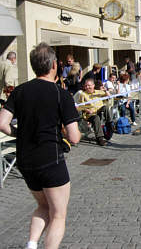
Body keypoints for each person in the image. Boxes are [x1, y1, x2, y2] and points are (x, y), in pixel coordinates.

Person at [0, 42, 81, 249]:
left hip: (26, 161)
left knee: (43, 205)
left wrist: (21, 134)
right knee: (58, 215)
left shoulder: (19, 91)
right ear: (54, 65)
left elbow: (2, 123)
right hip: (50, 159)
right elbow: (74, 137)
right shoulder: (60, 93)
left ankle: (31, 244)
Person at [77, 78, 112, 146]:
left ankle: (109, 124)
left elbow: (109, 96)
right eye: (86, 86)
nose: (87, 87)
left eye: (89, 85)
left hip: (99, 110)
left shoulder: (98, 92)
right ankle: (100, 138)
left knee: (105, 107)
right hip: (90, 114)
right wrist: (87, 110)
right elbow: (80, 106)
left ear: (93, 85)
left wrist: (106, 90)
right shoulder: (83, 94)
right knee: (96, 118)